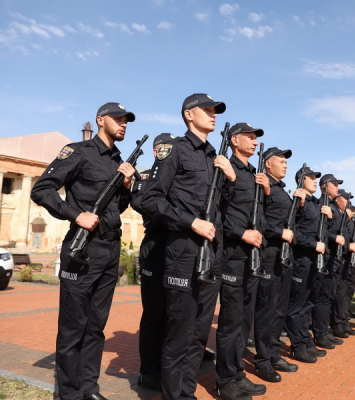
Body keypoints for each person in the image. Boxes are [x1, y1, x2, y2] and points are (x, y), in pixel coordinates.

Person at [31, 102, 137, 400]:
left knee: (96, 327)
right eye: (118, 118)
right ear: (100, 120)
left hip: (110, 249)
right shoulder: (77, 151)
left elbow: (117, 208)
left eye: (126, 119)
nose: (124, 123)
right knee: (73, 328)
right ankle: (69, 394)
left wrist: (127, 186)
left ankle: (89, 389)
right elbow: (41, 189)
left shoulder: (119, 160)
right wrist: (74, 214)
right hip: (82, 249)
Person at [141, 94, 235, 399]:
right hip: (183, 250)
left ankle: (185, 393)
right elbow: (149, 199)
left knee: (198, 333)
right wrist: (189, 221)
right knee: (179, 332)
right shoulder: (175, 150)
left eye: (215, 111)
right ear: (188, 115)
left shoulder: (215, 157)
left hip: (213, 253)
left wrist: (231, 179)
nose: (213, 115)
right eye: (207, 110)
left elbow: (225, 208)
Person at [215, 122, 270, 399]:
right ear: (234, 140)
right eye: (249, 136)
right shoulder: (225, 167)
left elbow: (256, 214)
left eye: (256, 137)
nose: (254, 141)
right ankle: (225, 381)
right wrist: (242, 233)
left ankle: (237, 373)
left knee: (243, 320)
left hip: (252, 257)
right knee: (231, 320)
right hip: (232, 255)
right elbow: (217, 213)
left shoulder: (252, 173)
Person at [251, 147, 302, 382]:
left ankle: (273, 353)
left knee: (279, 309)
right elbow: (258, 220)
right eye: (280, 161)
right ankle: (262, 360)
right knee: (266, 310)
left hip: (284, 255)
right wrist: (281, 232)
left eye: (286, 162)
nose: (286, 165)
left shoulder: (281, 189)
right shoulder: (261, 184)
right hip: (269, 254)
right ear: (267, 164)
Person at [131, 133, 175, 391]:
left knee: (176, 312)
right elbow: (142, 203)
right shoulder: (147, 178)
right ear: (156, 151)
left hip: (179, 250)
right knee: (154, 313)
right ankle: (149, 371)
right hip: (156, 250)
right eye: (163, 149)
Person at [285, 166, 328, 363]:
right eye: (311, 177)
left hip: (314, 259)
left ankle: (306, 340)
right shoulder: (299, 200)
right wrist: (313, 244)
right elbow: (293, 232)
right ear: (301, 180)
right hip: (302, 258)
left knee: (308, 302)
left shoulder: (315, 203)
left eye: (315, 178)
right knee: (297, 305)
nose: (315, 180)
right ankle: (297, 346)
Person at [313, 174, 345, 348]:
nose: (337, 187)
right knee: (322, 297)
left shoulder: (332, 205)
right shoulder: (322, 204)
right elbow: (321, 230)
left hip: (335, 257)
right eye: (334, 184)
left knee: (328, 296)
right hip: (326, 257)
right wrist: (335, 238)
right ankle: (320, 333)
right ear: (325, 186)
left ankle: (325, 330)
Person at [331, 190, 355, 337]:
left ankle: (343, 321)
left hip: (350, 262)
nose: (352, 211)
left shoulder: (351, 221)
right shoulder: (341, 219)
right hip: (340, 260)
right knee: (339, 294)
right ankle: (337, 323)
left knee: (347, 293)